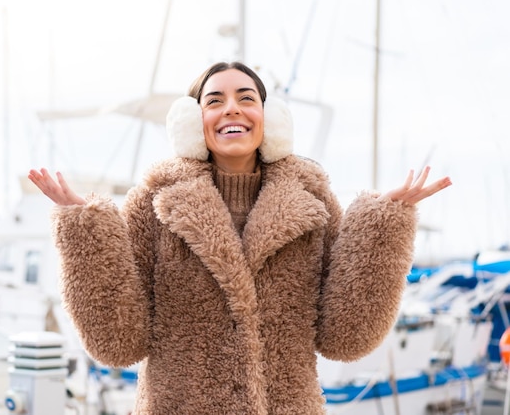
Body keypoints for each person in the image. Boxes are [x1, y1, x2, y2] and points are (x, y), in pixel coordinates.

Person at [28, 61, 452, 414]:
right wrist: (84, 231)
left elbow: (346, 336)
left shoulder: (312, 199)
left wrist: (383, 225)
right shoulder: (155, 202)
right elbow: (117, 342)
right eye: (215, 101)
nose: (232, 109)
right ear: (195, 123)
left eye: (246, 98)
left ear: (270, 119)